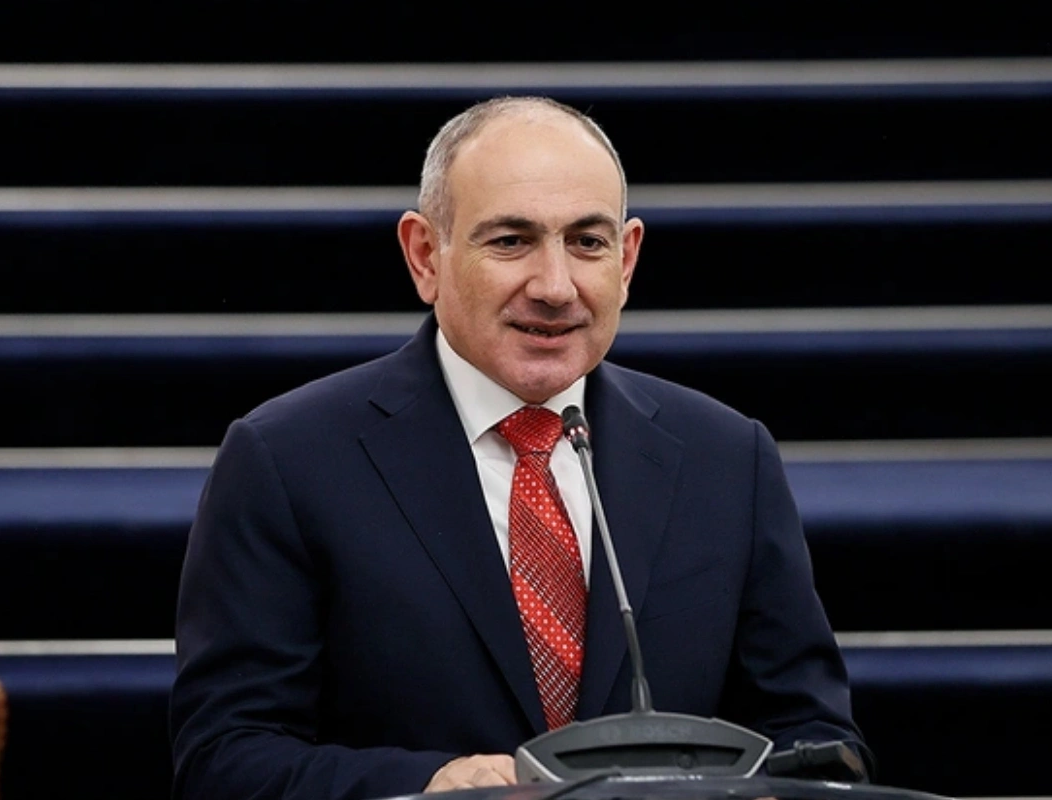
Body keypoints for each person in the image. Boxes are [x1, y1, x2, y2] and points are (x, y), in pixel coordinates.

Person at [169, 95, 870, 800]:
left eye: (587, 243)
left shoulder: (728, 458)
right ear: (424, 256)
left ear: (627, 260)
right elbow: (225, 758)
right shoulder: (288, 461)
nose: (555, 287)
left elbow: (816, 742)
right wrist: (426, 784)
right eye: (511, 241)